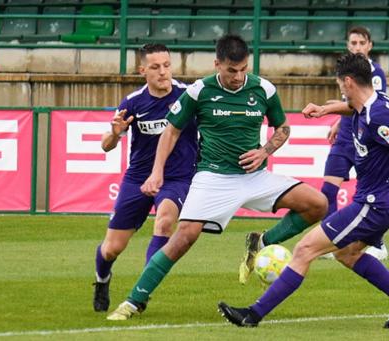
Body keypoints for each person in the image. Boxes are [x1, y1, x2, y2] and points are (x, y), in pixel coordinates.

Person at [106, 35, 327, 320]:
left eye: (243, 69)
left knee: (318, 204)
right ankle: (133, 301)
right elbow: (171, 130)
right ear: (217, 65)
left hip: (254, 176)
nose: (238, 77)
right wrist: (157, 171)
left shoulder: (263, 89)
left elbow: (282, 127)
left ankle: (261, 242)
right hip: (213, 178)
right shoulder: (200, 91)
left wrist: (264, 151)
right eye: (231, 71)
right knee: (184, 236)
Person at [218, 53, 389, 329]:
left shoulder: (377, 116)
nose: (341, 90)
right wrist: (327, 110)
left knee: (305, 249)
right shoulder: (374, 102)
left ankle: (252, 315)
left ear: (349, 82)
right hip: (387, 198)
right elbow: (353, 108)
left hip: (374, 204)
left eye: (341, 85)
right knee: (347, 254)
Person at [92, 43, 198, 312]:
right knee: (111, 249)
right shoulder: (134, 102)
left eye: (167, 65)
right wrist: (115, 133)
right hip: (138, 177)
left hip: (178, 177)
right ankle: (102, 279)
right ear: (143, 70)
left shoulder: (189, 95)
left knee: (164, 223)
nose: (163, 72)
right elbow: (106, 145)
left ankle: (142, 291)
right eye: (155, 67)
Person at [309, 26, 389, 261]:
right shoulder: (347, 70)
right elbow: (352, 104)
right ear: (348, 45)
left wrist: (329, 109)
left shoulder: (375, 73)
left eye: (361, 43)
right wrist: (338, 121)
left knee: (368, 196)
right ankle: (332, 242)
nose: (357, 47)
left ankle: (379, 243)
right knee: (327, 191)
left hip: (365, 139)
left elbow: (365, 106)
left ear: (370, 46)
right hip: (345, 137)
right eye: (353, 43)